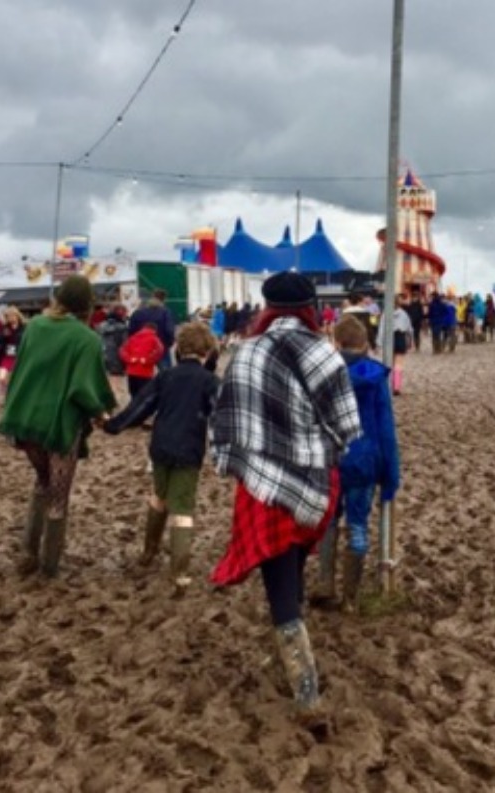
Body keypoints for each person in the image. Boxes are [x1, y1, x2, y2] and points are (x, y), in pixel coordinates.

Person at [209, 271, 362, 720]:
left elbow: (227, 418)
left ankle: (306, 692)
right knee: (292, 566)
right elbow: (347, 426)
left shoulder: (246, 351)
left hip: (262, 486)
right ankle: (293, 661)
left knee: (278, 583)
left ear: (267, 308)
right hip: (314, 483)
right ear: (311, 309)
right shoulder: (325, 354)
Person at [0, 275, 117, 578]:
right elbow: (83, 389)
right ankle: (50, 565)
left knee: (42, 482)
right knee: (58, 496)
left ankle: (28, 553)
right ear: (87, 304)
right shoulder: (86, 338)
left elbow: (21, 369)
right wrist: (102, 414)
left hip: (25, 419)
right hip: (60, 424)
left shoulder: (35, 326)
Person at [104, 322, 220, 594]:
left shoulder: (165, 377)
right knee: (183, 508)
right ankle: (179, 572)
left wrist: (113, 425)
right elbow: (220, 418)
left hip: (161, 447)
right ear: (207, 352)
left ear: (179, 348)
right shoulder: (210, 382)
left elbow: (140, 407)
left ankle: (149, 552)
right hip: (189, 450)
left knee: (159, 497)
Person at [313, 316, 399, 614]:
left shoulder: (323, 375)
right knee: (358, 525)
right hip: (364, 460)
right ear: (364, 344)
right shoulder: (375, 378)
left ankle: (326, 583)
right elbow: (386, 429)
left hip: (330, 459)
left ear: (336, 343)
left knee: (328, 521)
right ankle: (350, 597)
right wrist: (391, 475)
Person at [129, 289, 177, 371]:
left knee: (142, 373)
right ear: (164, 300)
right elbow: (169, 330)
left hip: (142, 347)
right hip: (161, 346)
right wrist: (169, 343)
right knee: (166, 372)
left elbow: (131, 331)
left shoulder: (138, 313)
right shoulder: (165, 313)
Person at [0, 307, 27, 399]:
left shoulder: (24, 327)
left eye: (13, 316)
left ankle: (13, 395)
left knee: (15, 378)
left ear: (17, 316)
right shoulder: (5, 328)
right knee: (2, 377)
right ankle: (6, 392)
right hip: (7, 356)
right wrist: (3, 336)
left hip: (19, 356)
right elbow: (0, 340)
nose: (11, 318)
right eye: (9, 316)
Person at [99, 305, 130, 384]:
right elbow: (125, 343)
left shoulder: (102, 326)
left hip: (103, 357)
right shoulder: (122, 328)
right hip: (118, 362)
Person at [388, 294, 412, 396]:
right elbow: (409, 329)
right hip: (400, 337)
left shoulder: (386, 313)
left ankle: (389, 384)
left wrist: (379, 341)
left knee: (390, 363)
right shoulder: (404, 314)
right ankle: (396, 386)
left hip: (389, 337)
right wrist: (410, 341)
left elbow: (382, 328)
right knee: (398, 364)